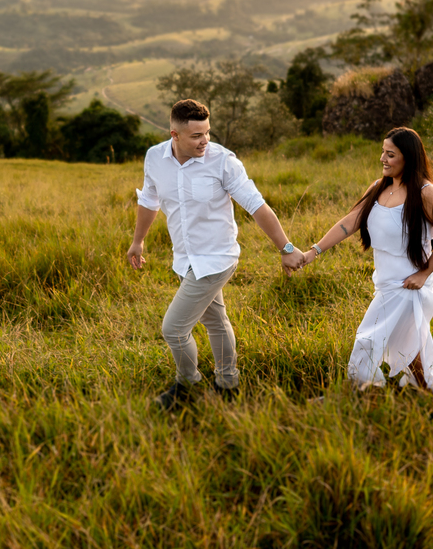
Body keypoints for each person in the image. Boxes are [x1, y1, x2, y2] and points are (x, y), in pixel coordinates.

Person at [129, 99, 304, 411]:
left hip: (217, 258)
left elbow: (257, 205)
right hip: (184, 258)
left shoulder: (223, 161)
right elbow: (150, 200)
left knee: (173, 329)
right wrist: (138, 242)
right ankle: (228, 383)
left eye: (207, 132)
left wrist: (286, 248)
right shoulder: (155, 158)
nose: (205, 141)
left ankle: (187, 385)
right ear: (175, 135)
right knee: (216, 321)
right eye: (196, 135)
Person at [300, 127, 433, 395]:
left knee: (368, 341)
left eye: (391, 154)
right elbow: (350, 223)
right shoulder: (378, 187)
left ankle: (357, 396)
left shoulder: (425, 192)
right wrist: (313, 252)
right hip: (384, 283)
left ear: (408, 158)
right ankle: (430, 393)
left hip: (409, 286)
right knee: (407, 348)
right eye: (382, 152)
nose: (383, 159)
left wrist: (423, 274)